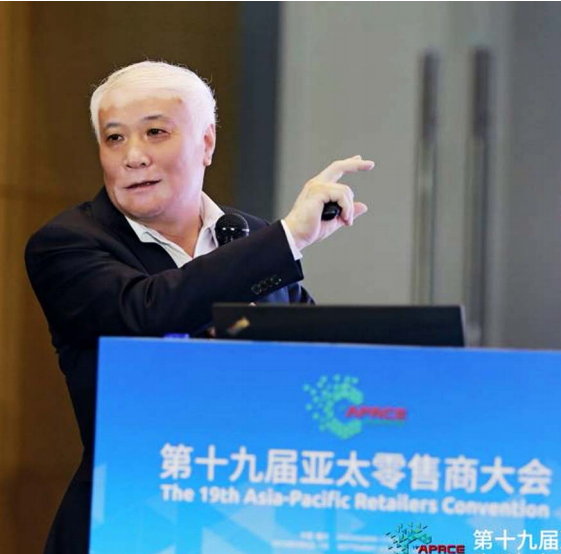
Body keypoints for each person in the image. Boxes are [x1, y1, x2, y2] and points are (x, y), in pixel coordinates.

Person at [24, 61, 374, 553]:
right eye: (115, 138)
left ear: (206, 143)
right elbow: (148, 313)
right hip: (129, 520)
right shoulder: (67, 244)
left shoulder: (249, 238)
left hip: (256, 522)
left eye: (155, 132)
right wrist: (289, 238)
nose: (133, 157)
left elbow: (314, 360)